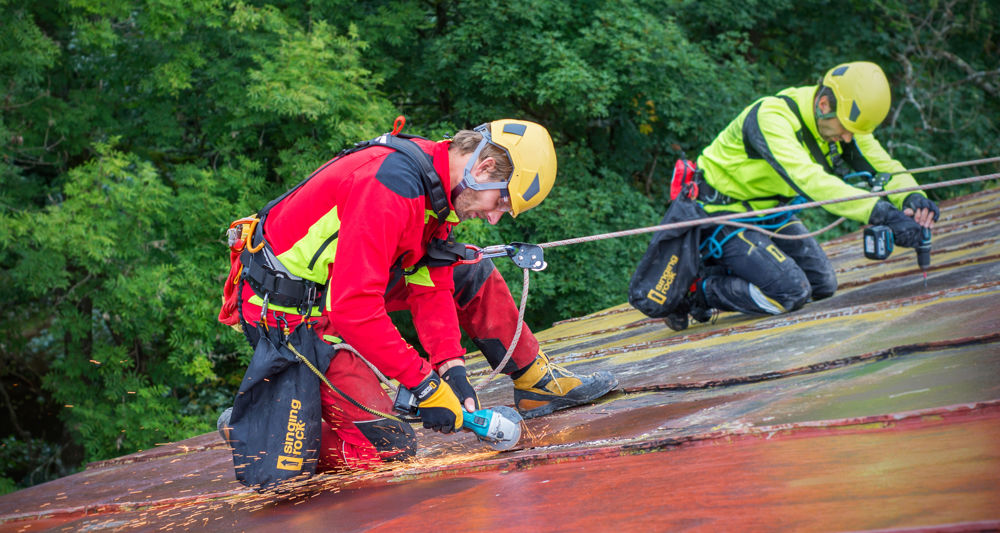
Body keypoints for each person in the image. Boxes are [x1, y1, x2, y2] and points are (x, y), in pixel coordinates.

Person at [227, 119, 617, 471]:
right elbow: (354, 308)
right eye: (500, 202)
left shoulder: (438, 186)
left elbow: (428, 277)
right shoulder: (390, 186)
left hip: (337, 288)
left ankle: (536, 382)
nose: (495, 217)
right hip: (292, 316)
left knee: (472, 267)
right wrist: (426, 386)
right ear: (482, 169)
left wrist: (452, 368)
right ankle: (261, 431)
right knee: (389, 449)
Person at [668, 61, 939, 330]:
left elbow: (884, 167)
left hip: (770, 213)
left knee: (823, 285)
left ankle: (737, 271)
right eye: (845, 130)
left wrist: (911, 198)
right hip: (722, 216)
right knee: (790, 292)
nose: (847, 139)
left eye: (853, 133)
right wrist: (880, 212)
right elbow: (810, 179)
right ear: (823, 105)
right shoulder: (772, 118)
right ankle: (697, 291)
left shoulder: (844, 122)